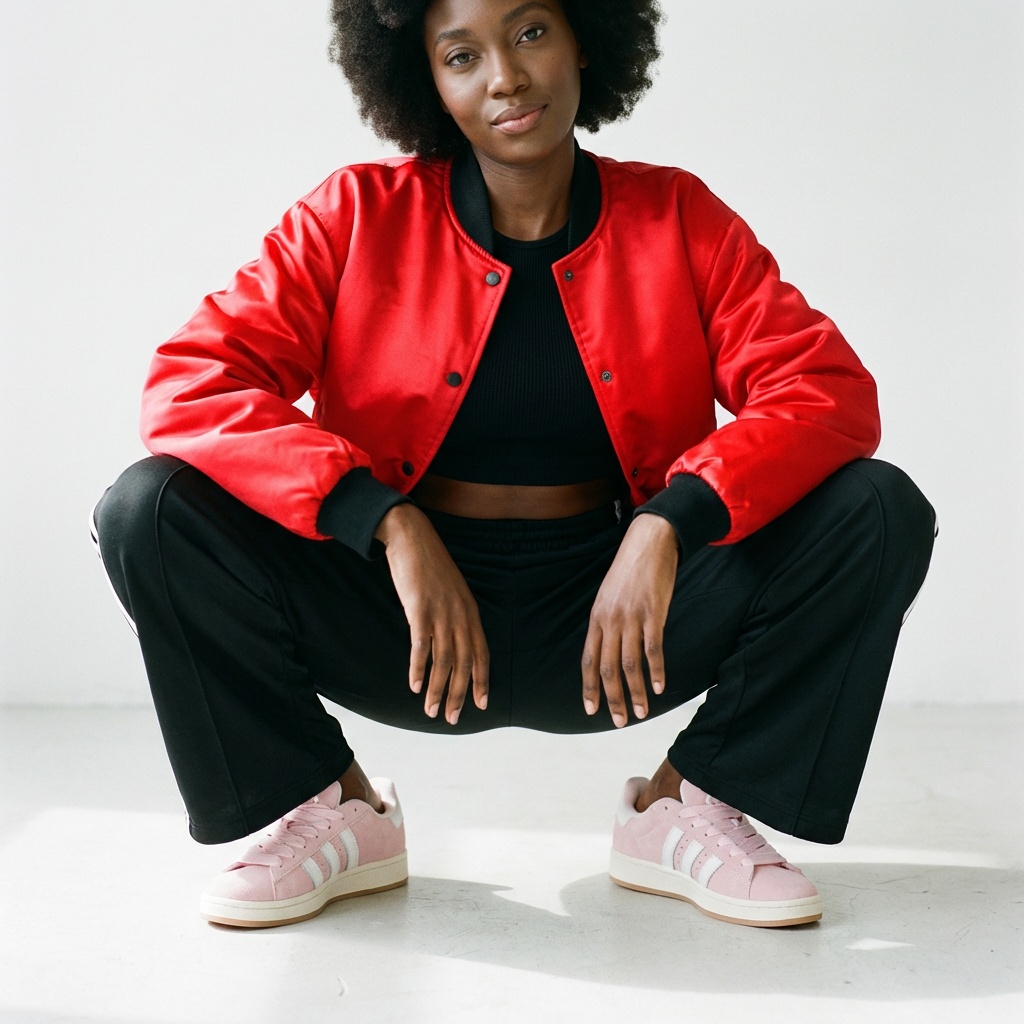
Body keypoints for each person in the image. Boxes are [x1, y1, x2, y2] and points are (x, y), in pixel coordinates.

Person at [92, 0, 935, 931]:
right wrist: (383, 521)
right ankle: (331, 804)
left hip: (623, 622)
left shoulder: (678, 215)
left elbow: (824, 391)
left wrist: (671, 520)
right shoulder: (354, 215)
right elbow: (194, 384)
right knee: (150, 508)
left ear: (585, 40)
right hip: (401, 616)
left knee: (877, 507)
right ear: (426, 83)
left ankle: (689, 803)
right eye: (462, 56)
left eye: (531, 32)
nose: (506, 77)